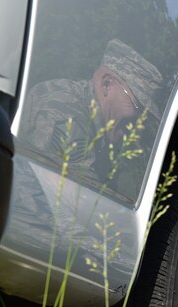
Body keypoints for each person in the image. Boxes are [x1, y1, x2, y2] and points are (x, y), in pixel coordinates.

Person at [21, 38, 162, 198]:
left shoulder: (106, 131)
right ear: (107, 85)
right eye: (139, 107)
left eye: (147, 116)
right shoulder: (65, 113)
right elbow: (81, 202)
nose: (141, 122)